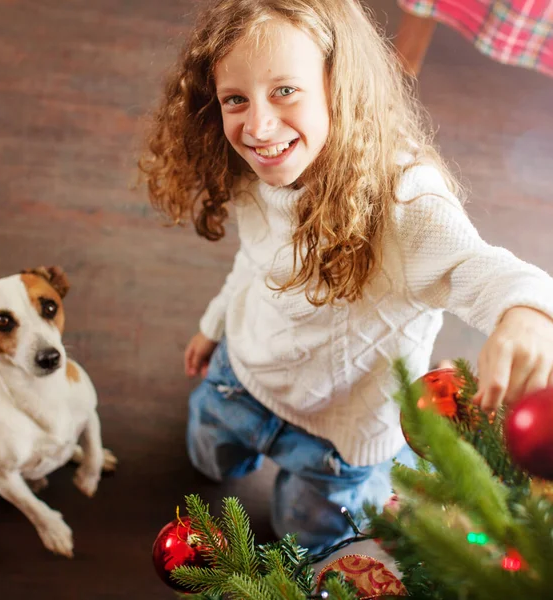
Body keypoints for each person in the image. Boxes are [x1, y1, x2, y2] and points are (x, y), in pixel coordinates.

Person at [139, 0, 553, 552]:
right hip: (239, 380)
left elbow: (477, 268)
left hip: (342, 437)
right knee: (205, 457)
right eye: (235, 99)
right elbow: (256, 260)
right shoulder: (254, 166)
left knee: (306, 541)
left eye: (285, 90)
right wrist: (215, 323)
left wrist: (527, 312)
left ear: (340, 84)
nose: (258, 126)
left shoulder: (405, 199)